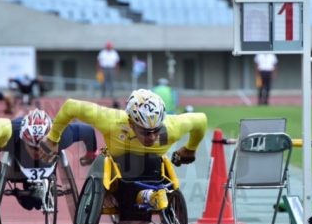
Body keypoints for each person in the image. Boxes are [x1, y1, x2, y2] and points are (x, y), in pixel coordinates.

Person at [41, 89, 207, 210]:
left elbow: (201, 120)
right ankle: (144, 196)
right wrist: (52, 139)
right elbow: (71, 106)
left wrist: (190, 149)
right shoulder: (112, 120)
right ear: (130, 121)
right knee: (122, 166)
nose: (151, 137)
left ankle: (148, 196)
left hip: (152, 169)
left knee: (151, 164)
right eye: (145, 131)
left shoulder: (172, 126)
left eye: (156, 130)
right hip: (120, 172)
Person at [4, 109, 98, 210]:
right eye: (32, 147)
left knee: (37, 202)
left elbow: (88, 131)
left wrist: (90, 154)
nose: (37, 151)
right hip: (20, 155)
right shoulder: (10, 133)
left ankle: (36, 192)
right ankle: (22, 194)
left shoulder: (63, 134)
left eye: (41, 146)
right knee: (30, 203)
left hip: (48, 157)